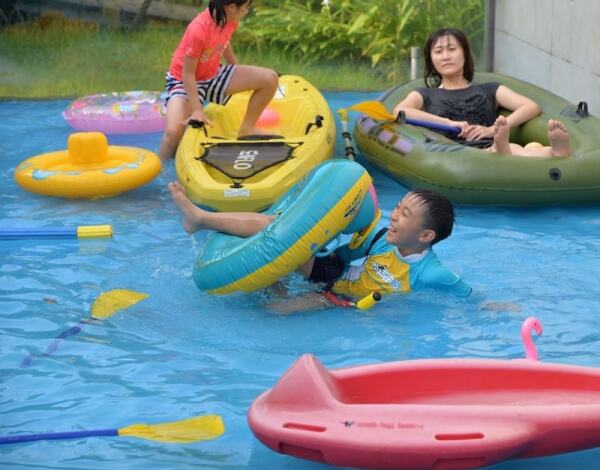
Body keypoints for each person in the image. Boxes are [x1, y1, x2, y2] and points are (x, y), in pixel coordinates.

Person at [169, 182, 472, 312]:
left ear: (425, 236)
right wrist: (311, 247)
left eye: (405, 214)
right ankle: (200, 218)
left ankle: (275, 279)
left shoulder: (431, 273)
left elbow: (469, 297)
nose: (394, 215)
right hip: (332, 274)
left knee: (273, 310)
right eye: (398, 207)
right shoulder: (381, 238)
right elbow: (343, 254)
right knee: (283, 230)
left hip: (341, 303)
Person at [393, 27, 571, 158]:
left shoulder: (489, 89)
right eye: (438, 51)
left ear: (465, 54)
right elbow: (400, 111)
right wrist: (449, 123)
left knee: (518, 150)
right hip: (453, 154)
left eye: (452, 49)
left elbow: (530, 106)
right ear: (431, 60)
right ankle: (502, 148)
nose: (446, 56)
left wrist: (492, 130)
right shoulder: (425, 94)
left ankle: (555, 151)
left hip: (489, 144)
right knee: (504, 151)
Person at [158, 0, 278, 160]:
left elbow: (224, 42)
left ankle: (247, 129)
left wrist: (236, 68)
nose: (247, 11)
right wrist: (197, 110)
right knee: (172, 134)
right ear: (232, 7)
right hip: (184, 81)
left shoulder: (229, 19)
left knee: (270, 79)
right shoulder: (198, 29)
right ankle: (162, 170)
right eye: (246, 7)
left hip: (212, 75)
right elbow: (188, 74)